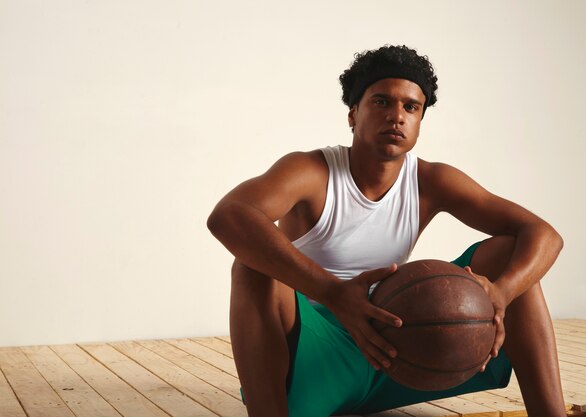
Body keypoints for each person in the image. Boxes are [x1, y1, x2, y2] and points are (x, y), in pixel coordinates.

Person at [207, 45, 565, 417]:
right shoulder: (311, 171)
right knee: (252, 268)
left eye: (411, 107)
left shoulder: (431, 180)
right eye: (381, 102)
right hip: (317, 356)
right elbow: (229, 215)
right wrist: (333, 293)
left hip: (399, 348)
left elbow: (545, 235)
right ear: (353, 114)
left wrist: (501, 294)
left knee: (510, 254)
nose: (397, 116)